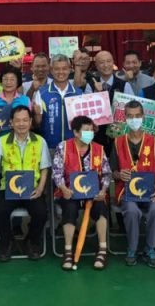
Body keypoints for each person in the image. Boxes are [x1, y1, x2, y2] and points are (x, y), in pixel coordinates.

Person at [0, 105, 51, 261]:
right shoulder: (2, 141)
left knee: (41, 212)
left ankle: (32, 240)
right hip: (8, 188)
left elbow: (44, 168)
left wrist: (41, 188)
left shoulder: (40, 141)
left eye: (25, 120)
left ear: (30, 122)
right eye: (17, 121)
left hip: (32, 188)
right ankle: (7, 241)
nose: (21, 124)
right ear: (11, 123)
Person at [110, 100, 155, 268]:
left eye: (137, 116)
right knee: (132, 211)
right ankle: (132, 248)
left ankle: (150, 249)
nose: (134, 119)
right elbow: (113, 171)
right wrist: (119, 174)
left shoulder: (154, 141)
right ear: (124, 118)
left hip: (150, 190)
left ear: (143, 117)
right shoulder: (117, 142)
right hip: (127, 192)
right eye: (130, 116)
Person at [52, 115, 111, 271]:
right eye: (86, 130)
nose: (90, 133)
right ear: (76, 132)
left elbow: (106, 174)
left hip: (94, 194)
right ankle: (68, 251)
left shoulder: (99, 149)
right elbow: (57, 173)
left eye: (92, 130)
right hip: (69, 193)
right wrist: (64, 189)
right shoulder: (63, 148)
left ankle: (102, 250)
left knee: (100, 208)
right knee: (69, 209)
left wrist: (103, 190)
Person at [34, 54, 84, 150]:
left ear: (70, 69)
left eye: (64, 68)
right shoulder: (41, 93)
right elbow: (37, 124)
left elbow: (85, 123)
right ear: (51, 70)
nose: (61, 72)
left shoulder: (79, 94)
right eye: (57, 69)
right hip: (49, 147)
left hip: (74, 147)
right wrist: (36, 115)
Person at [0, 64, 30, 141]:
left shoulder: (25, 100)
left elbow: (30, 124)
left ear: (18, 82)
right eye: (5, 79)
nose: (8, 82)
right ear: (1, 81)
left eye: (12, 79)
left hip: (21, 142)